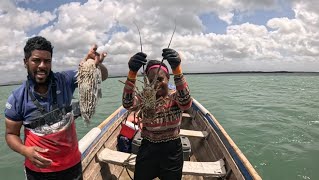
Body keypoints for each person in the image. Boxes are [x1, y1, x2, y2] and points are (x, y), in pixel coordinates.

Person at [4, 36, 108, 180]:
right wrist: (25, 150)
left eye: (47, 61)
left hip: (72, 166)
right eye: (36, 60)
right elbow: (11, 135)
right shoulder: (17, 98)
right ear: (25, 62)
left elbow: (102, 76)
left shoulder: (65, 80)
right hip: (38, 172)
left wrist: (95, 64)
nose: (42, 65)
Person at [122, 48, 192, 180]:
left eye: (160, 79)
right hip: (148, 147)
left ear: (168, 78)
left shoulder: (174, 97)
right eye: (151, 80)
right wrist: (132, 72)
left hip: (172, 150)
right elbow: (128, 104)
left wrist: (177, 69)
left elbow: (186, 103)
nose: (156, 84)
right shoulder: (143, 97)